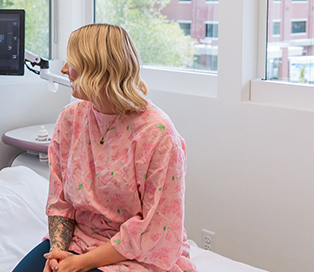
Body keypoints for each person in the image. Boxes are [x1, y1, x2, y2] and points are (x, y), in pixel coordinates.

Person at [13, 24, 196, 272]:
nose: (65, 70)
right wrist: (58, 253)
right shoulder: (70, 119)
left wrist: (82, 262)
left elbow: (157, 227)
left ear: (97, 70)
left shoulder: (157, 134)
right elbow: (61, 201)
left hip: (137, 251)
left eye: (72, 62)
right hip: (78, 240)